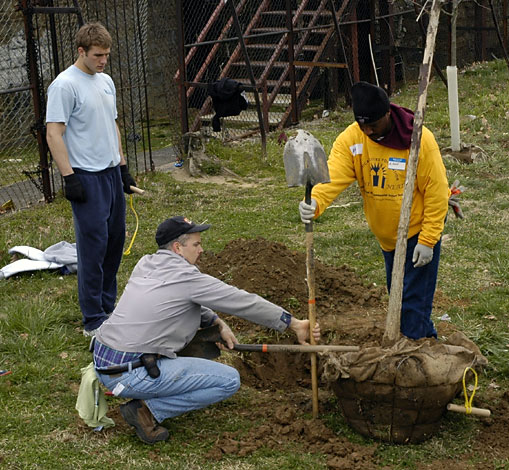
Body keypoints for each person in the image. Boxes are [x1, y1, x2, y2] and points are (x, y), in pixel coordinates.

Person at [93, 216, 321, 444]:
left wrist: (215, 321)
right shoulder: (188, 278)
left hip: (105, 362)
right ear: (177, 248)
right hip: (130, 373)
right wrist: (293, 324)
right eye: (196, 244)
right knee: (228, 380)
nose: (201, 250)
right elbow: (243, 302)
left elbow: (177, 299)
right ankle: (147, 411)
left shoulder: (146, 263)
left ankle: (148, 393)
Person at [298, 81, 450, 340]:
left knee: (412, 308)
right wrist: (316, 202)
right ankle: (424, 343)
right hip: (387, 240)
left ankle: (421, 357)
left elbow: (437, 192)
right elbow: (334, 174)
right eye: (362, 125)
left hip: (416, 235)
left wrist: (427, 239)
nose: (368, 131)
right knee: (400, 302)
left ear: (388, 114)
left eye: (374, 125)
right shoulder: (352, 139)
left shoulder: (418, 139)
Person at [46, 22, 137, 336]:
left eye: (107, 55)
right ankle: (93, 320)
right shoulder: (64, 85)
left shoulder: (106, 81)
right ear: (81, 51)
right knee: (93, 247)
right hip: (86, 176)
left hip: (111, 174)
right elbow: (53, 133)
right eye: (98, 55)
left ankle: (109, 308)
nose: (103, 61)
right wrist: (69, 177)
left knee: (114, 242)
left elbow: (112, 126)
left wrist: (122, 168)